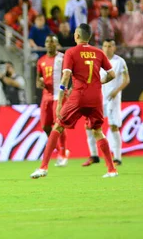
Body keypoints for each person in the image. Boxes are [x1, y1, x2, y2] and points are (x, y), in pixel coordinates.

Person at [30, 23, 118, 179]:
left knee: (57, 126)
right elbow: (112, 75)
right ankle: (111, 170)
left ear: (76, 36)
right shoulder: (98, 53)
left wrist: (61, 100)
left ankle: (43, 167)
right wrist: (99, 82)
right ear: (89, 37)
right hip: (96, 98)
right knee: (98, 131)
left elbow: (65, 77)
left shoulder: (71, 52)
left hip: (78, 97)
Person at [83, 39, 129, 167]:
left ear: (114, 48)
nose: (107, 48)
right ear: (102, 47)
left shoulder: (119, 61)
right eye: (105, 46)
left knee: (113, 126)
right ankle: (94, 155)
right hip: (98, 98)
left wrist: (116, 91)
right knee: (89, 126)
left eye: (110, 46)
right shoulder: (97, 60)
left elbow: (126, 80)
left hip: (113, 99)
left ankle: (117, 157)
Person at [36, 35, 69, 166]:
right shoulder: (41, 61)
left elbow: (72, 73)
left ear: (57, 44)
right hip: (46, 96)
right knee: (45, 126)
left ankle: (63, 153)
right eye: (47, 42)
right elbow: (38, 79)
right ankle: (58, 148)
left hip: (60, 96)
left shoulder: (63, 58)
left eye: (52, 42)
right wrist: (39, 83)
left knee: (58, 125)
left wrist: (71, 87)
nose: (49, 44)